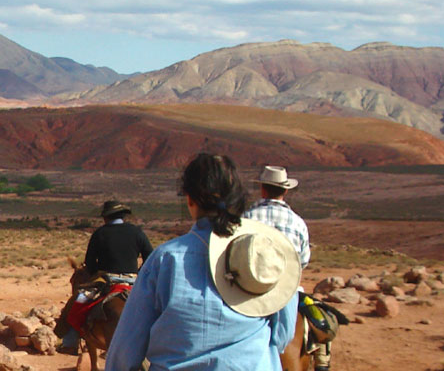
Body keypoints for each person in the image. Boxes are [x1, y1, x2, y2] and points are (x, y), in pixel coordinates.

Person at [105, 153, 301, 370]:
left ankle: (71, 337)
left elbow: (124, 353)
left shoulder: (165, 260)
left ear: (190, 199)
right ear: (238, 198)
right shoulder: (270, 253)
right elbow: (283, 335)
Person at [244, 166, 329, 371]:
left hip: (246, 290)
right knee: (317, 317)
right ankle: (321, 356)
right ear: (285, 190)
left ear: (263, 189)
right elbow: (303, 261)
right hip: (285, 290)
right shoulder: (298, 222)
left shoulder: (245, 218)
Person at [57, 200, 154, 354]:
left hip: (106, 280)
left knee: (76, 302)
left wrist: (97, 272)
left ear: (106, 218)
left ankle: (70, 342)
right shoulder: (137, 232)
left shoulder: (100, 233)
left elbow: (89, 261)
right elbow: (150, 256)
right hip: (133, 280)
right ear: (123, 216)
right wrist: (140, 273)